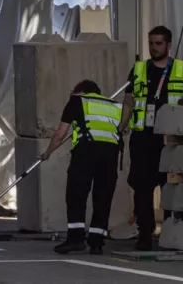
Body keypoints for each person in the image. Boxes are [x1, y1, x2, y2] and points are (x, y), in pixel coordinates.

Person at [119, 25, 183, 250]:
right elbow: (128, 102)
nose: (153, 48)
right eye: (151, 43)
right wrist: (121, 125)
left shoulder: (182, 70)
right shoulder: (138, 69)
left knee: (171, 187)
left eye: (158, 43)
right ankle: (145, 233)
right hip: (143, 138)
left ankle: (171, 232)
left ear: (168, 44)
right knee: (142, 187)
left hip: (171, 140)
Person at [41, 80, 122, 255]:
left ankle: (76, 239)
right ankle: (97, 242)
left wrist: (47, 153)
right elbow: (120, 129)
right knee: (103, 198)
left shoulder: (77, 101)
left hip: (86, 152)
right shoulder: (114, 106)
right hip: (110, 155)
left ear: (81, 91)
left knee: (76, 195)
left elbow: (60, 134)